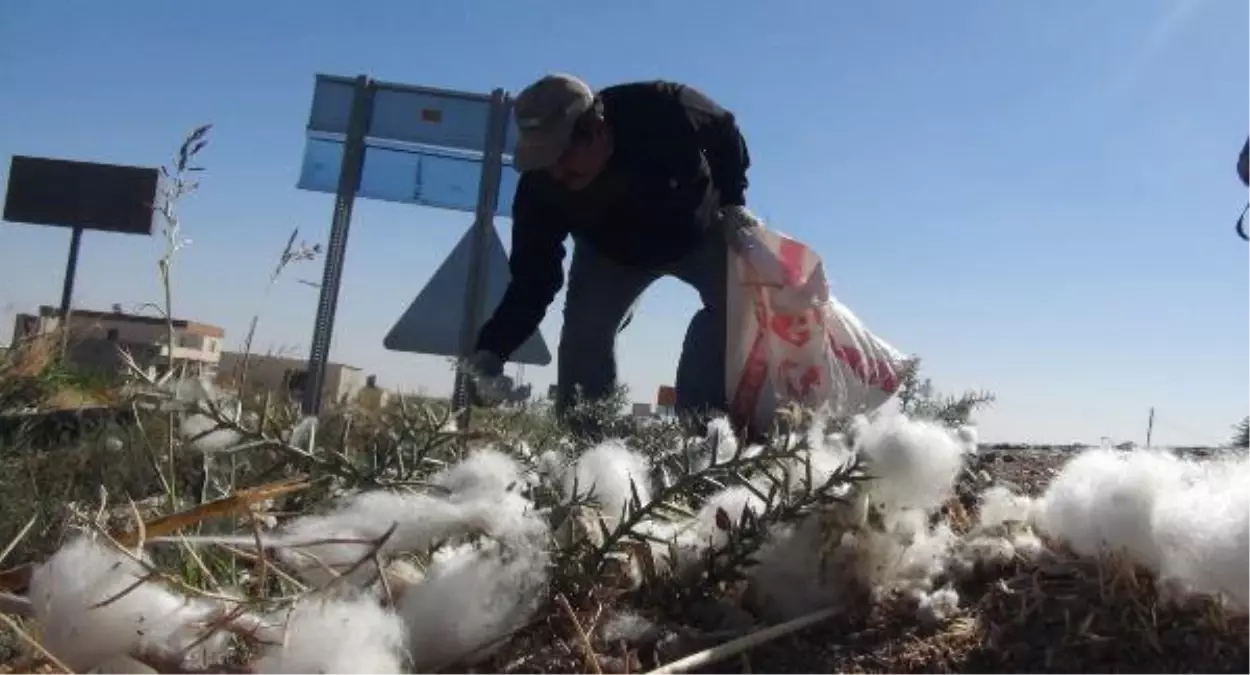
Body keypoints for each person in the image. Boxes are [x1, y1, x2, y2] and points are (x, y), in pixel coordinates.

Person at [464, 73, 763, 431]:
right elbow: (533, 280)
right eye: (543, 160)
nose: (556, 173)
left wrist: (733, 203)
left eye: (561, 155)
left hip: (699, 233)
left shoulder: (663, 108)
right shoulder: (542, 189)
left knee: (742, 310)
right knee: (584, 334)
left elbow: (725, 131)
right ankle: (585, 454)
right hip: (612, 256)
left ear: (597, 130)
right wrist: (491, 352)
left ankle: (704, 435)